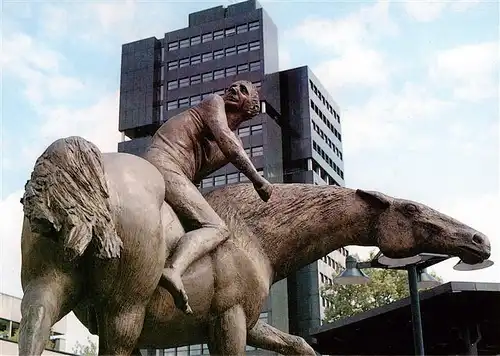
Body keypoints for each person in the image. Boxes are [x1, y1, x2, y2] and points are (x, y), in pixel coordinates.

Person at [143, 80, 273, 314]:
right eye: (233, 86)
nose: (233, 90)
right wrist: (258, 180)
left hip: (176, 174)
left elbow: (198, 174)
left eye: (243, 90)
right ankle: (173, 269)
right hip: (164, 162)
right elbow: (228, 141)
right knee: (217, 228)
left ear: (251, 108)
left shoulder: (232, 144)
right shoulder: (214, 103)